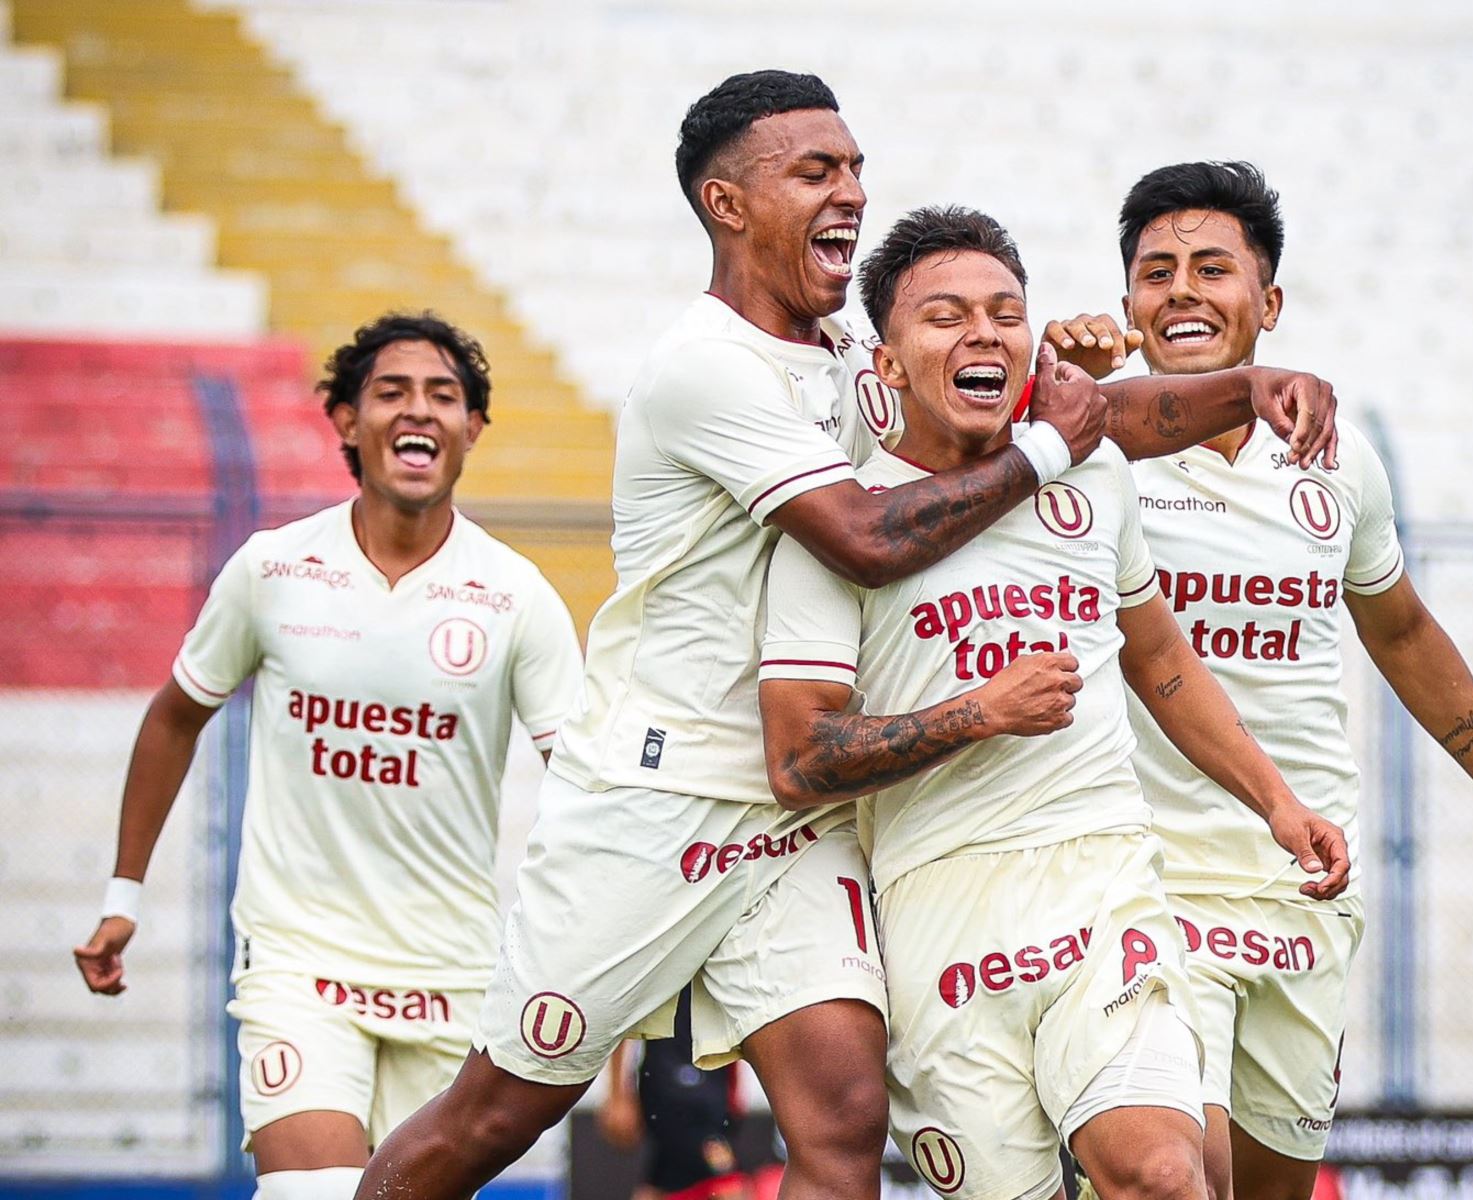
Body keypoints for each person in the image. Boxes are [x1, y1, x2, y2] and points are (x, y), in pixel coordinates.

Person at [356, 73, 1344, 1200]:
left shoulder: (845, 358)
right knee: (494, 1115)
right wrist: (1049, 456)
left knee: (840, 1126)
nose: (853, 192)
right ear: (728, 204)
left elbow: (1073, 421)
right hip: (659, 797)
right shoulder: (703, 366)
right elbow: (869, 535)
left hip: (809, 813)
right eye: (817, 171)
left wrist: (1248, 388)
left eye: (858, 168)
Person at [1045, 160, 1473, 1200]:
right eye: (1155, 271)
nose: (1181, 288)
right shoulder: (1086, 448)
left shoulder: (1338, 463)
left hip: (1301, 884)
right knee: (1175, 1178)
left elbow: (1402, 633)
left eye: (1211, 268)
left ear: (1267, 303)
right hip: (1140, 884)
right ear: (1129, 306)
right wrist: (1067, 391)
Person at [757, 205, 1350, 1200]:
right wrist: (974, 714)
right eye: (945, 317)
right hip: (939, 909)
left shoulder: (1091, 474)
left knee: (1167, 1173)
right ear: (889, 366)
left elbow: (1161, 660)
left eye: (1004, 312)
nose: (983, 333)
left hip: (1100, 879)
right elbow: (800, 761)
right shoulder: (846, 524)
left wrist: (1277, 802)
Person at [72, 312, 584, 1200]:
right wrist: (124, 894)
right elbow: (172, 717)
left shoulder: (516, 597)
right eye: (390, 391)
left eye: (443, 395)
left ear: (472, 430)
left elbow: (582, 780)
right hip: (300, 962)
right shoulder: (273, 570)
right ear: (346, 420)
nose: (416, 410)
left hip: (453, 978)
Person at [596, 989, 751, 1200]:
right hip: (668, 1086)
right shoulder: (656, 962)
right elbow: (623, 1016)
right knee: (726, 1179)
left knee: (664, 1175)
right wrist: (617, 1095)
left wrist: (734, 1091)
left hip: (711, 1085)